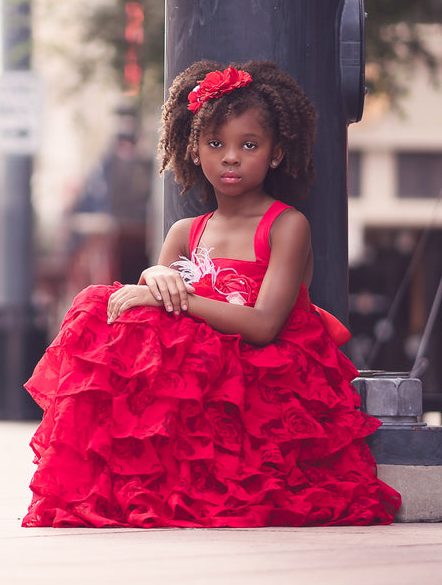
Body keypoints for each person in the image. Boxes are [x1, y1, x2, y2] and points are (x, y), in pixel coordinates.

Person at [22, 60, 401, 527]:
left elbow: (265, 326)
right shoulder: (185, 232)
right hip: (201, 378)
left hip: (265, 378)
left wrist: (178, 298)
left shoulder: (286, 225)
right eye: (215, 144)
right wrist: (153, 278)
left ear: (275, 153)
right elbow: (150, 315)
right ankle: (124, 477)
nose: (231, 157)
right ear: (195, 151)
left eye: (249, 145)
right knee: (99, 306)